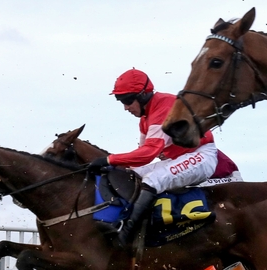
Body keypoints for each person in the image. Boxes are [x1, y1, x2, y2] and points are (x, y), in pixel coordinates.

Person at [88, 68, 242, 247]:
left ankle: (126, 235)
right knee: (133, 173)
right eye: (120, 100)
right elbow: (140, 155)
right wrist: (116, 166)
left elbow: (147, 154)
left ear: (144, 94)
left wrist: (109, 160)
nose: (125, 107)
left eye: (128, 100)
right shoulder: (145, 119)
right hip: (183, 158)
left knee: (153, 179)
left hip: (202, 155)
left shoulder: (164, 106)